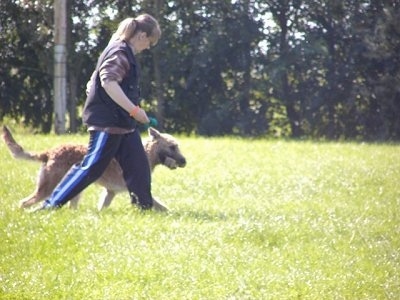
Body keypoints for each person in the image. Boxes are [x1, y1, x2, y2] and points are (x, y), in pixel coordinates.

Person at [39, 14, 161, 211]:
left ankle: (144, 209)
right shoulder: (121, 52)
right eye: (150, 42)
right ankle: (50, 205)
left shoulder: (119, 48)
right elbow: (108, 81)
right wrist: (134, 110)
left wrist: (91, 86)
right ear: (142, 36)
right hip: (108, 124)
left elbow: (98, 78)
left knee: (139, 167)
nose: (148, 47)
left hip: (123, 125)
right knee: (92, 167)